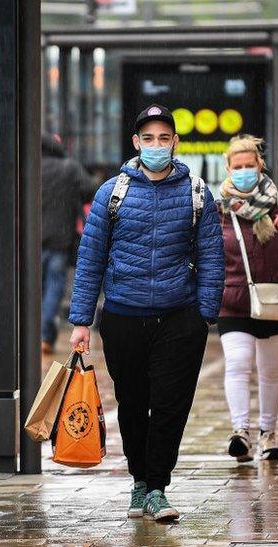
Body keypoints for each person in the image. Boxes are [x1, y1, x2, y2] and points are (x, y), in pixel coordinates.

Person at [68, 104, 224, 522]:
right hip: (123, 316)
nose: (157, 145)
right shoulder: (112, 193)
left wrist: (204, 314)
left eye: (164, 138)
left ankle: (158, 487)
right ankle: (139, 481)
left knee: (172, 405)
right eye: (148, 138)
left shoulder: (197, 193)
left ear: (175, 142)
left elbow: (212, 256)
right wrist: (81, 320)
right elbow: (91, 258)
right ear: (136, 143)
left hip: (179, 317)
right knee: (133, 403)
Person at [216, 135, 278, 462]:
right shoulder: (220, 210)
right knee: (238, 364)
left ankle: (268, 432)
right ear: (228, 169)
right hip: (234, 300)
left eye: (249, 165)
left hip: (275, 299)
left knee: (270, 371)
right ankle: (240, 431)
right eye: (237, 166)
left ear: (259, 165)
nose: (243, 171)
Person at [40, 134, 94, 355]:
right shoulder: (69, 168)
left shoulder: (29, 167)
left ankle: (33, 334)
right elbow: (90, 190)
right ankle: (44, 335)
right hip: (60, 240)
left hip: (31, 240)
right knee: (54, 288)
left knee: (34, 290)